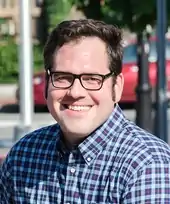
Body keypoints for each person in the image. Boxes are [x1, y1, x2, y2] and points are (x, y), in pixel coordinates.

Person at [1, 19, 170, 203]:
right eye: (63, 77)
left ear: (117, 87)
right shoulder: (24, 156)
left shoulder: (147, 165)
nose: (75, 92)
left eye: (91, 78)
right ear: (48, 83)